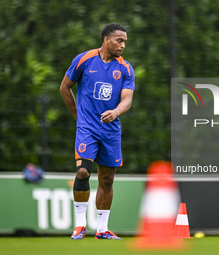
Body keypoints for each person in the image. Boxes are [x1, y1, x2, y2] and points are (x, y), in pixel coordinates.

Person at [60, 23, 135, 240]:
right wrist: (77, 115)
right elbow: (65, 87)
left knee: (107, 180)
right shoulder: (84, 60)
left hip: (111, 131)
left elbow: (127, 99)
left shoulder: (126, 68)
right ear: (107, 40)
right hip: (87, 128)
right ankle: (80, 225)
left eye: (125, 42)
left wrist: (116, 111)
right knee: (83, 171)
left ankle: (102, 229)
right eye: (119, 41)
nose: (123, 45)